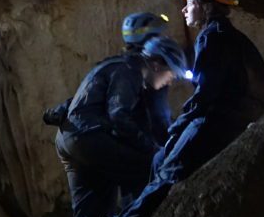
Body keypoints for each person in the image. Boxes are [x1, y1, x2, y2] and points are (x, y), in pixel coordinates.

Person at [77, 0, 264, 217]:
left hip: (220, 119)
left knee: (169, 169)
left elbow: (205, 94)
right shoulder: (235, 38)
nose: (184, 10)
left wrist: (178, 128)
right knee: (161, 160)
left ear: (205, 6)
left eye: (189, 4)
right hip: (238, 117)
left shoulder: (212, 36)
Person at [55, 35, 188, 217]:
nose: (171, 81)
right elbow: (118, 114)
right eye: (171, 73)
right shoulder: (130, 71)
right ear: (156, 63)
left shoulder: (113, 65)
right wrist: (152, 149)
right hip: (89, 138)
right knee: (149, 169)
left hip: (68, 139)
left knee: (90, 208)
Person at [43, 12, 175, 149]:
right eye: (160, 36)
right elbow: (157, 117)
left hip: (77, 135)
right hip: (101, 139)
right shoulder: (147, 70)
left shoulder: (117, 63)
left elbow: (89, 94)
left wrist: (61, 110)